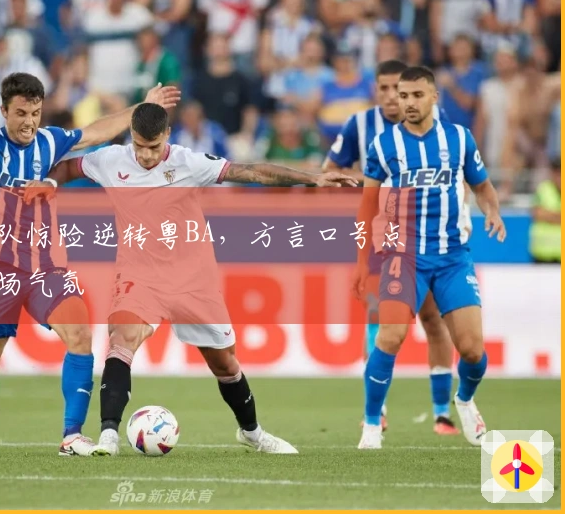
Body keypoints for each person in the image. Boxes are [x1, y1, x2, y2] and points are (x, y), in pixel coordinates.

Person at [26, 103, 358, 456]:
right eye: (139, 146)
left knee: (224, 363)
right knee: (121, 340)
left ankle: (252, 433)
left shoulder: (188, 163)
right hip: (139, 274)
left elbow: (251, 172)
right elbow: (68, 167)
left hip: (192, 277)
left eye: (154, 147)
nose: (146, 155)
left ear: (167, 135)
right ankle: (109, 434)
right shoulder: (111, 160)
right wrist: (48, 182)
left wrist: (313, 178)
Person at [0, 33, 180, 457]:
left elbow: (97, 132)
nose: (29, 122)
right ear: (3, 111)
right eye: (21, 113)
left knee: (80, 334)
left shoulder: (50, 141)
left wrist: (143, 108)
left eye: (35, 112)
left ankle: (72, 436)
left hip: (45, 268)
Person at [353, 66, 507, 450]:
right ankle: (371, 424)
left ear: (434, 97)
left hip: (453, 256)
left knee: (472, 350)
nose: (407, 103)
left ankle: (465, 399)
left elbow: (483, 186)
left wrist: (492, 210)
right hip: (401, 255)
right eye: (403, 97)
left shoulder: (458, 138)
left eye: (416, 96)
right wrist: (361, 262)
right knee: (391, 337)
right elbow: (366, 207)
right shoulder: (384, 145)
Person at [322, 60, 463, 435]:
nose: (390, 97)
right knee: (379, 317)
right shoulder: (360, 125)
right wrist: (370, 182)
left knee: (434, 319)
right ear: (377, 90)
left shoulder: (436, 121)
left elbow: (454, 170)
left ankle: (441, 412)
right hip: (382, 236)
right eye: (383, 88)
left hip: (430, 237)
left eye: (395, 89)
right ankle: (377, 411)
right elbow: (327, 173)